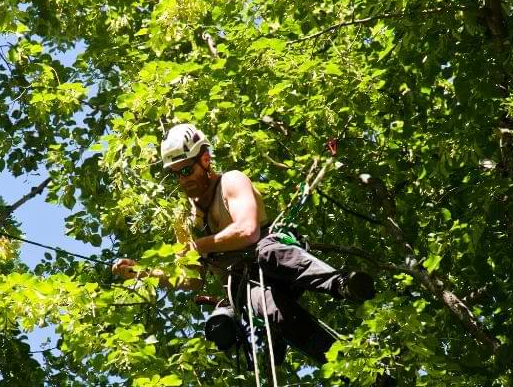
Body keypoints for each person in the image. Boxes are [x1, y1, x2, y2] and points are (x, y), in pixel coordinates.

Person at [112, 123, 375, 365]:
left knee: (266, 252)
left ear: (204, 160)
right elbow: (192, 279)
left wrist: (198, 246)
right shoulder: (186, 222)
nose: (182, 180)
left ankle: (341, 283)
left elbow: (248, 231)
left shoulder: (230, 181)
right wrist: (142, 273)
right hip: (244, 283)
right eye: (175, 175)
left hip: (277, 259)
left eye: (186, 170)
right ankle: (346, 364)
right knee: (271, 310)